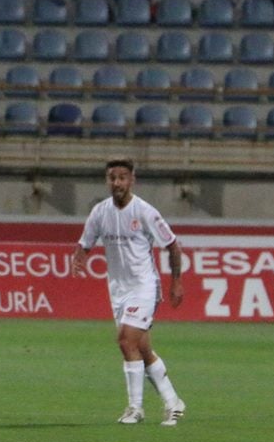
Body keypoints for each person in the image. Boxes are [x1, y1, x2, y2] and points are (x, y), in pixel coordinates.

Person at [71, 158, 187, 426]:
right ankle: (173, 402)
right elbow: (85, 242)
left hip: (144, 286)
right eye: (112, 178)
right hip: (118, 291)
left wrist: (176, 282)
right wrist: (79, 256)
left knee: (125, 341)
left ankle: (135, 408)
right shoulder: (100, 212)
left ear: (132, 180)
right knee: (142, 349)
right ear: (107, 180)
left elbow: (172, 245)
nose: (117, 183)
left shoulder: (145, 211)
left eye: (122, 178)